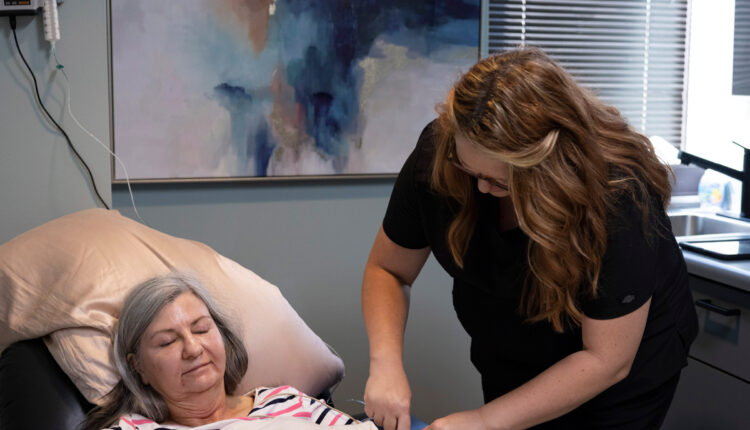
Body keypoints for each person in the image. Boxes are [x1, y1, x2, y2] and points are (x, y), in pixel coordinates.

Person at [361, 47, 699, 430]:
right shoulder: (441, 152)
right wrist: (385, 366)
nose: (482, 189)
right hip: (512, 348)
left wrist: (484, 421)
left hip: (617, 373)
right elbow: (388, 270)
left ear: (551, 171)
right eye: (471, 171)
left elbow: (606, 360)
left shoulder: (617, 197)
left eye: (500, 182)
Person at [82, 273, 373, 430]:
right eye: (168, 342)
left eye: (201, 329)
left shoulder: (286, 402)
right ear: (138, 368)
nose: (193, 348)